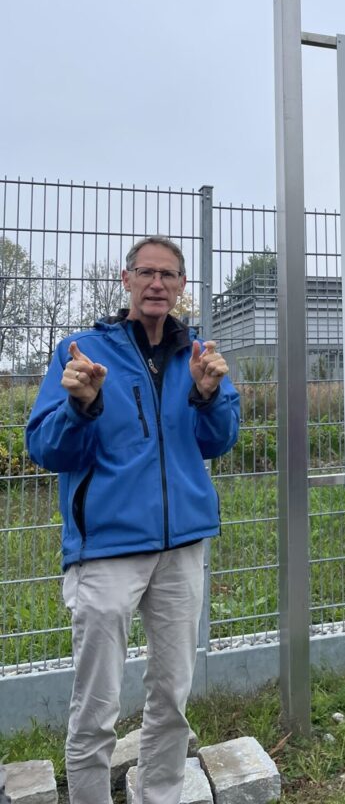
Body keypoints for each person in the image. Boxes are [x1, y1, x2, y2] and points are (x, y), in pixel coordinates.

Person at [26, 235, 240, 804]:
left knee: (171, 693)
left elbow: (219, 441)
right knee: (96, 703)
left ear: (182, 287)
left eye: (169, 275)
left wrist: (208, 395)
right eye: (146, 273)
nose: (157, 284)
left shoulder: (197, 353)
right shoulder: (82, 351)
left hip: (181, 546)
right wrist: (80, 406)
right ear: (125, 281)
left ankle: (161, 794)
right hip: (107, 549)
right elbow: (46, 449)